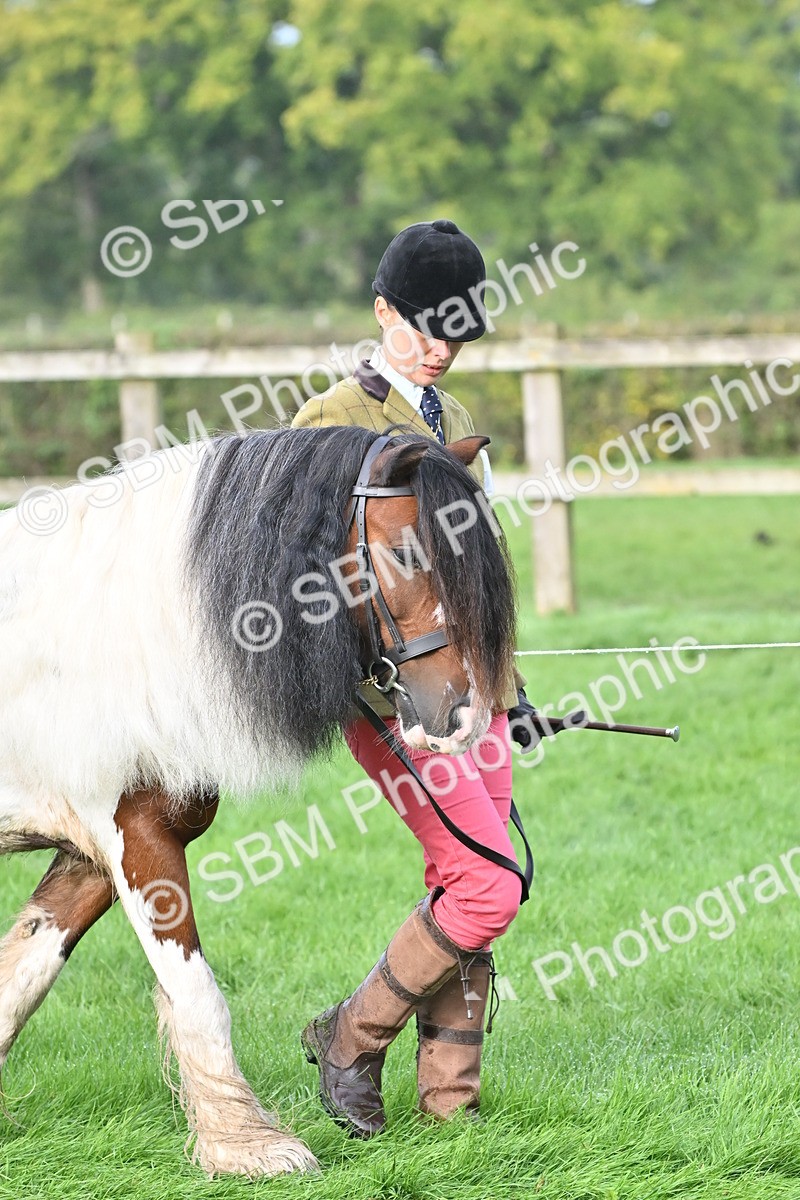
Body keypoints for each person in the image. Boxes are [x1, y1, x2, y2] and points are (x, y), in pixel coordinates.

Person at [293, 218, 538, 1138]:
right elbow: (300, 583)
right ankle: (351, 1037)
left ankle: (450, 1109)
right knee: (488, 884)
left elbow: (477, 576)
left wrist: (509, 690)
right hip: (393, 697)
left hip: (478, 689)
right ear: (382, 312)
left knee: (474, 878)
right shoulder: (329, 422)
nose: (440, 350)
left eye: (457, 335)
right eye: (425, 328)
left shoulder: (458, 422)